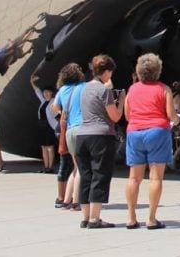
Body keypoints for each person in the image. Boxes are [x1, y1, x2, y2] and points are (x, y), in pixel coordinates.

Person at [124, 53, 177, 229]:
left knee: (134, 177)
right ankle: (151, 219)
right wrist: (177, 120)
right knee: (155, 178)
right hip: (157, 131)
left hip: (135, 131)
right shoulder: (164, 89)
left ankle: (131, 218)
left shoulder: (132, 89)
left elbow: (127, 114)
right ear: (157, 70)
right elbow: (170, 114)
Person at [76, 54, 124, 229]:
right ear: (107, 71)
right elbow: (115, 116)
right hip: (101, 136)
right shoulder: (104, 91)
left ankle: (86, 217)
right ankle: (95, 218)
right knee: (100, 175)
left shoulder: (83, 89)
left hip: (82, 135)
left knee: (86, 176)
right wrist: (121, 103)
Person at [53, 63, 85, 210]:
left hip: (69, 130)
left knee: (74, 167)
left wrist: (62, 112)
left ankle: (66, 200)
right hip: (82, 128)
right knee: (81, 168)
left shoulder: (62, 90)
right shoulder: (83, 87)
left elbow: (54, 106)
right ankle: (77, 201)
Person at [30, 75, 58, 172]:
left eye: (48, 92)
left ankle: (50, 167)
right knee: (44, 147)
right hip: (42, 126)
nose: (45, 94)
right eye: (45, 92)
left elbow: (57, 112)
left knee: (50, 147)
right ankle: (45, 166)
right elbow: (37, 91)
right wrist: (32, 82)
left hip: (50, 126)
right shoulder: (43, 102)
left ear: (51, 93)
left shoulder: (54, 101)